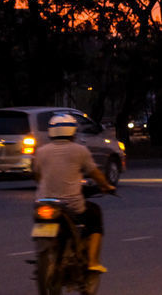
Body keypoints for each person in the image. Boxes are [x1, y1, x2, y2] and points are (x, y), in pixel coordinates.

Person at [32, 112, 116, 273]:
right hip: (71, 205)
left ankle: (43, 256)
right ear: (72, 131)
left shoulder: (41, 151)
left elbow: (37, 175)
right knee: (94, 214)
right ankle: (92, 261)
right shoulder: (80, 150)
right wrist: (106, 186)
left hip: (43, 203)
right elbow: (95, 173)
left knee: (38, 220)